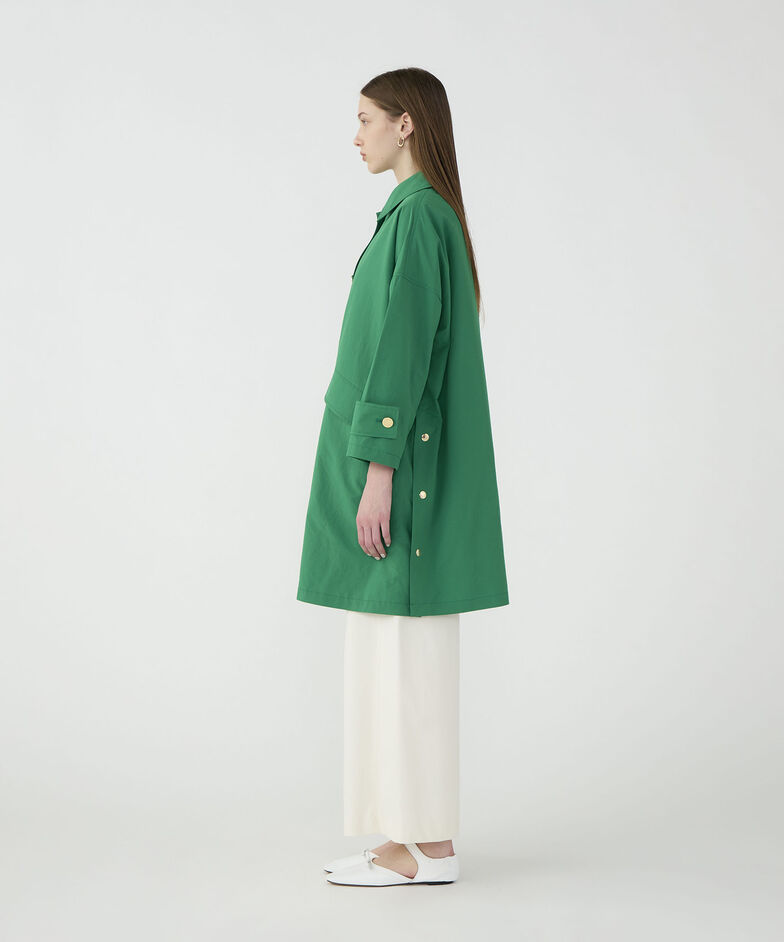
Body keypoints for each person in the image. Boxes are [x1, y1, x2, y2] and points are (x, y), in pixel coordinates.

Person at [297, 67, 509, 887]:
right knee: (405, 657)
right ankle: (427, 842)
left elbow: (405, 350)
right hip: (398, 467)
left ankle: (410, 850)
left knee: (398, 658)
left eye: (365, 119)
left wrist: (378, 472)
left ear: (406, 124)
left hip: (399, 474)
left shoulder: (418, 218)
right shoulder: (419, 216)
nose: (355, 136)